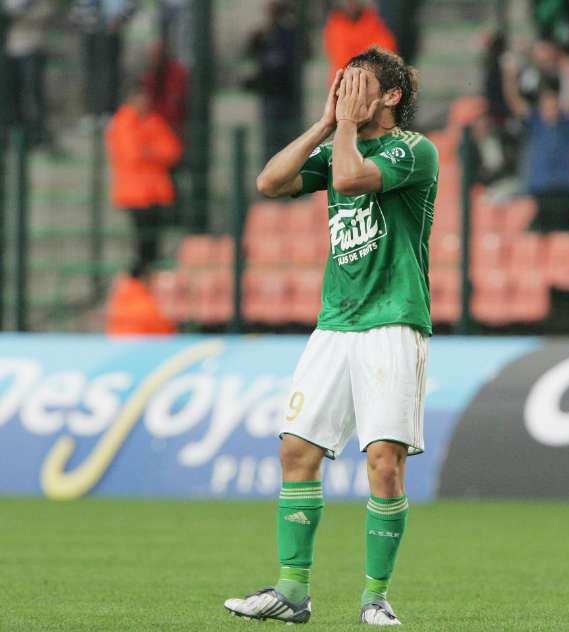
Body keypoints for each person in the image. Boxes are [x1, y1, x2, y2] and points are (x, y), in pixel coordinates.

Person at [224, 46, 437, 626]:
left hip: (393, 320)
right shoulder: (336, 138)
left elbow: (349, 177)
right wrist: (325, 122)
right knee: (296, 450)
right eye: (340, 85)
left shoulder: (413, 150)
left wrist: (342, 129)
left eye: (357, 85)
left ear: (390, 97)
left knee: (384, 462)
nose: (344, 93)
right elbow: (270, 181)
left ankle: (375, 597)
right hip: (335, 323)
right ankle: (292, 592)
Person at [502, 51, 569, 231]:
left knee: (565, 232)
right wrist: (509, 76)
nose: (551, 110)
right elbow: (515, 102)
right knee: (542, 231)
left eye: (554, 106)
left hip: (566, 186)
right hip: (542, 186)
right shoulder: (535, 122)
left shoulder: (565, 123)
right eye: (547, 106)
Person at [106, 86, 182, 269]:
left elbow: (173, 151)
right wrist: (155, 152)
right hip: (134, 194)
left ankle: (150, 276)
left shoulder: (154, 121)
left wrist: (149, 152)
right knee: (142, 240)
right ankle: (141, 279)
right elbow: (132, 153)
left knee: (153, 240)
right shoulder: (123, 121)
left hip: (155, 191)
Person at [242, 0, 302, 161]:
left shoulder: (290, 34)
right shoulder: (261, 36)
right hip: (270, 96)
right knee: (270, 145)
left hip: (287, 96)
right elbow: (248, 60)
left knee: (289, 143)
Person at [70, 0, 139, 116]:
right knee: (91, 73)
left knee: (111, 75)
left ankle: (109, 111)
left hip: (112, 35)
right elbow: (77, 11)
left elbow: (131, 6)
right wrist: (82, 22)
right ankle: (92, 112)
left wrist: (119, 21)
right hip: (90, 33)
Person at [3, 0, 55, 146]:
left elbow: (46, 12)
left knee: (34, 95)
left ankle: (37, 134)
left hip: (34, 48)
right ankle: (12, 134)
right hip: (13, 49)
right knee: (13, 95)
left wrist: (24, 13)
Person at [324, 0, 397, 82]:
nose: (350, 4)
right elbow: (341, 59)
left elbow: (386, 51)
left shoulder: (373, 22)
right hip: (344, 81)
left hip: (373, 79)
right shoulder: (335, 25)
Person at [106, 263, 176, 335]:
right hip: (143, 342)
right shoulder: (147, 302)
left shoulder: (118, 298)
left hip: (116, 341)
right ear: (145, 278)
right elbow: (164, 332)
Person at [141, 41, 189, 138]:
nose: (155, 59)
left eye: (158, 55)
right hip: (158, 124)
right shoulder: (150, 77)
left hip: (175, 123)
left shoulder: (177, 72)